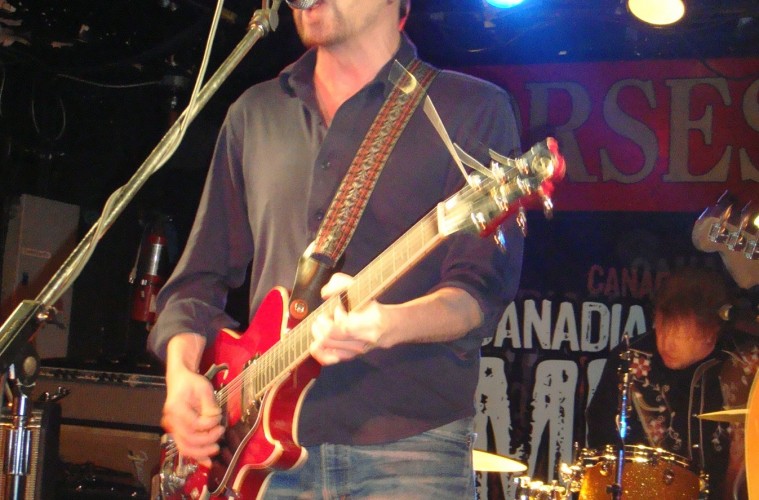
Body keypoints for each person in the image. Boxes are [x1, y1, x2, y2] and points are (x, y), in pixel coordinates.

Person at [147, 0, 524, 498]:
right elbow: (196, 282)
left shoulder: (469, 108)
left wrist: (388, 324)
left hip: (410, 451)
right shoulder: (255, 113)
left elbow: (478, 292)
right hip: (256, 454)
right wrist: (180, 375)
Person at [585, 266, 757, 500]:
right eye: (662, 328)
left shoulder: (748, 361)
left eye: (679, 334)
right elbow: (601, 439)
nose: (666, 343)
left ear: (710, 333)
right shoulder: (629, 359)